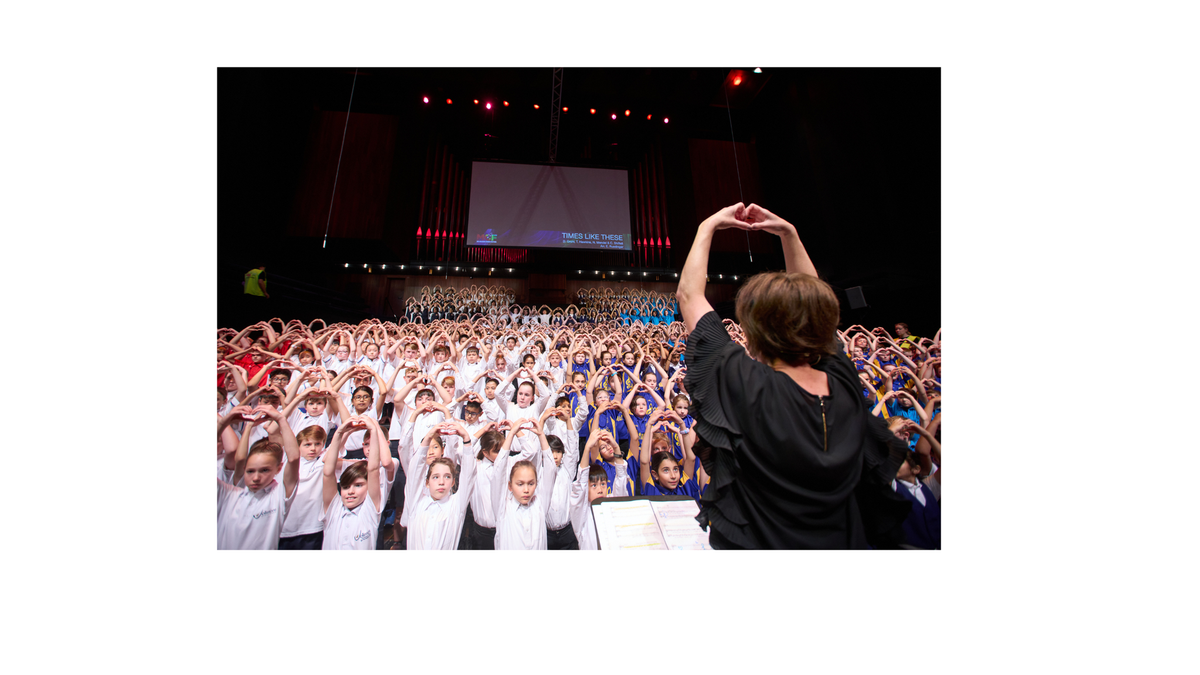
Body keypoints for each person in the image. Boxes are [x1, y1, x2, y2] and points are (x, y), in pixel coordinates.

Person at [676, 202, 910, 549]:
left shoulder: (746, 382)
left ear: (753, 334)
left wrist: (706, 227)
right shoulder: (843, 381)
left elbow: (690, 295)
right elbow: (816, 308)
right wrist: (789, 233)